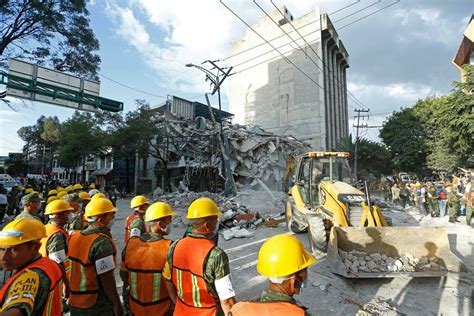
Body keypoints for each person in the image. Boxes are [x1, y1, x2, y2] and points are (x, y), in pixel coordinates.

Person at [163, 197, 236, 315]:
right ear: (207, 225)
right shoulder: (216, 255)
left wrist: (178, 303)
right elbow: (226, 300)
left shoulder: (174, 246)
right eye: (216, 220)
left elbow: (167, 279)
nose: (217, 223)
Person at [229, 234, 316, 315]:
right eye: (305, 270)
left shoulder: (238, 310)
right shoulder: (299, 314)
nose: (306, 276)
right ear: (293, 281)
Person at [67, 197, 122, 316]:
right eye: (111, 215)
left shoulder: (75, 237)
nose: (113, 218)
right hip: (95, 305)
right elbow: (107, 279)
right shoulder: (101, 242)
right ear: (101, 220)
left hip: (75, 301)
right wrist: (117, 303)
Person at [120, 202, 176, 315]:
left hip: (135, 308)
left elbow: (124, 275)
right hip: (161, 310)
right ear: (160, 224)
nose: (171, 223)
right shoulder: (170, 247)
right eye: (169, 220)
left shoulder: (130, 244)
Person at [0, 218, 63, 315]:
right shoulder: (49, 264)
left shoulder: (30, 276)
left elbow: (15, 312)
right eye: (2, 249)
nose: (4, 257)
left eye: (13, 250)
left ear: (35, 248)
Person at [40, 199, 73, 304]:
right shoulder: (57, 235)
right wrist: (65, 284)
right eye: (67, 213)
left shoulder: (47, 228)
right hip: (54, 278)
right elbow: (57, 261)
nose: (69, 215)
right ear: (58, 216)